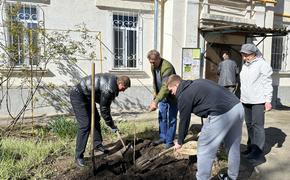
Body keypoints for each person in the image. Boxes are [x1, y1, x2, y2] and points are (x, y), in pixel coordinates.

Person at [167, 74, 244, 180]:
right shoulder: (198, 82)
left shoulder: (184, 95)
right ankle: (232, 177)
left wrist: (180, 142)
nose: (172, 94)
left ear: (176, 85)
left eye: (171, 91)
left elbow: (184, 121)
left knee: (204, 146)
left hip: (222, 113)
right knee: (233, 146)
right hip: (237, 107)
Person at [70, 73, 131, 167]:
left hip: (88, 96)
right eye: (124, 88)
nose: (123, 91)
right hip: (78, 95)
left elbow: (101, 99)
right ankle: (78, 157)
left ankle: (97, 145)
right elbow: (104, 110)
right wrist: (111, 125)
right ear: (121, 84)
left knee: (95, 119)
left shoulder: (114, 80)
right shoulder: (109, 89)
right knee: (85, 125)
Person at [239, 43, 273, 164]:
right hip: (246, 100)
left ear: (254, 54)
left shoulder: (262, 64)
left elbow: (267, 83)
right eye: (243, 55)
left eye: (247, 55)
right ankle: (251, 148)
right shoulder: (245, 65)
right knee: (249, 124)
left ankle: (257, 153)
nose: (244, 57)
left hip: (258, 100)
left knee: (257, 126)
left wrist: (268, 100)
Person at [147, 49, 178, 149]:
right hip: (161, 95)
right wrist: (155, 97)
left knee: (171, 118)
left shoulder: (167, 67)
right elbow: (155, 82)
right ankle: (163, 137)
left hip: (172, 95)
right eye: (150, 62)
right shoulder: (153, 66)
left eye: (153, 62)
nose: (152, 64)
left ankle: (169, 141)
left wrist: (156, 101)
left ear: (159, 58)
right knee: (162, 116)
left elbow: (165, 86)